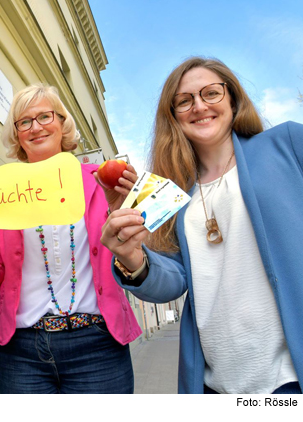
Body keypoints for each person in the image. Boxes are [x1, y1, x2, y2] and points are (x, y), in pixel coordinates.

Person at [102, 57, 303, 394]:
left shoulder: (287, 143)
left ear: (232, 98)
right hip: (214, 382)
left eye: (211, 93)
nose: (199, 106)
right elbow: (174, 280)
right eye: (184, 100)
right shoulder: (166, 192)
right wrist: (133, 258)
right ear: (173, 116)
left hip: (287, 378)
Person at [0, 83, 141, 394]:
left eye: (44, 117)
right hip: (23, 352)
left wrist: (119, 204)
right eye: (24, 121)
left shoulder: (100, 181)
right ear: (17, 134)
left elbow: (130, 254)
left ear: (62, 123)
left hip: (97, 345)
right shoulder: (2, 194)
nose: (35, 127)